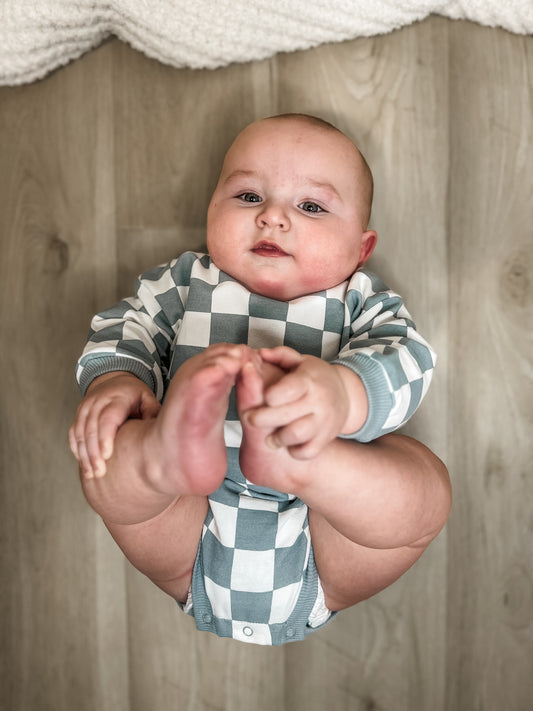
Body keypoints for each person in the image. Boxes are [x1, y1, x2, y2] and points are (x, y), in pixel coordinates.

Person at [69, 113, 451, 646]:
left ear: (359, 249)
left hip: (324, 542)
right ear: (211, 211)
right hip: (187, 524)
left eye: (311, 206)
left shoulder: (360, 302)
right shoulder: (185, 282)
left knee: (423, 489)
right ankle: (161, 456)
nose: (273, 217)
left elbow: (407, 361)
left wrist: (342, 395)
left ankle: (308, 465)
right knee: (112, 460)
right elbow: (125, 326)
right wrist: (116, 382)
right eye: (249, 196)